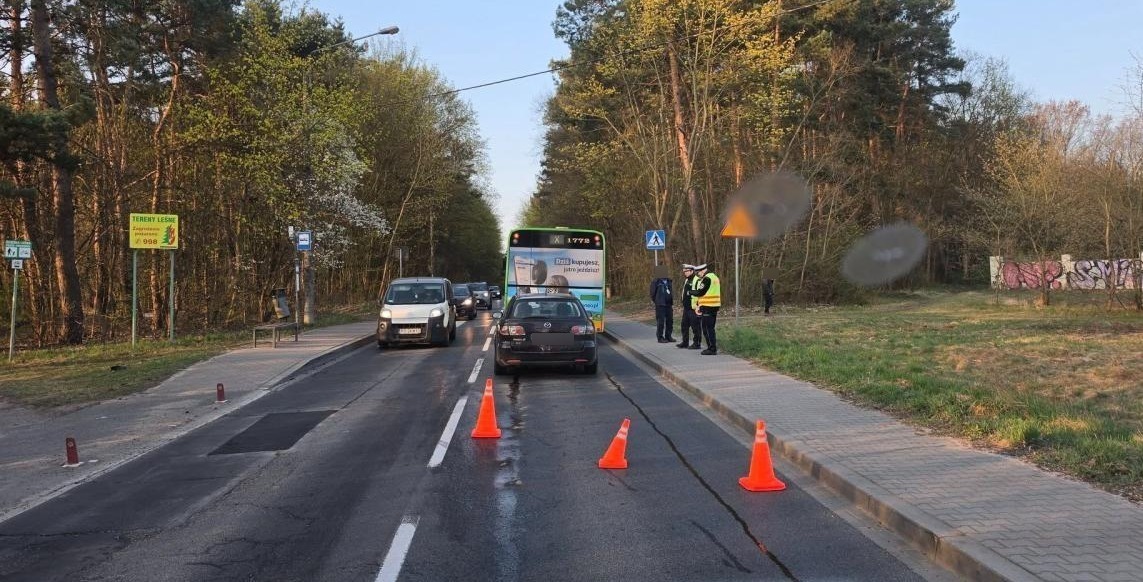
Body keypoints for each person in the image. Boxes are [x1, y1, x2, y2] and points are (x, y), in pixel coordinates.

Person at [690, 263, 721, 355]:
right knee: (710, 328)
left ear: (703, 270)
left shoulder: (707, 278)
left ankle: (711, 348)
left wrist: (691, 292)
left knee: (707, 328)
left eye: (698, 272)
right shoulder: (714, 277)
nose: (698, 274)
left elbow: (700, 292)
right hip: (714, 305)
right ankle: (712, 347)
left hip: (708, 306)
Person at [677, 264, 702, 349]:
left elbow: (700, 293)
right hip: (686, 307)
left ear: (691, 271)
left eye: (686, 271)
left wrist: (698, 306)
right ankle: (685, 342)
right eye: (684, 272)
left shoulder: (697, 280)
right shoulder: (686, 280)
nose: (685, 273)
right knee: (684, 325)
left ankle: (697, 343)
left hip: (694, 308)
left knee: (695, 326)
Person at [649, 267, 675, 343]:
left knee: (670, 321)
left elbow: (670, 291)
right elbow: (652, 294)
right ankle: (660, 337)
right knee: (661, 322)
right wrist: (657, 301)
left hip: (668, 304)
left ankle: (668, 336)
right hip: (660, 304)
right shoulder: (655, 282)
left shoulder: (669, 281)